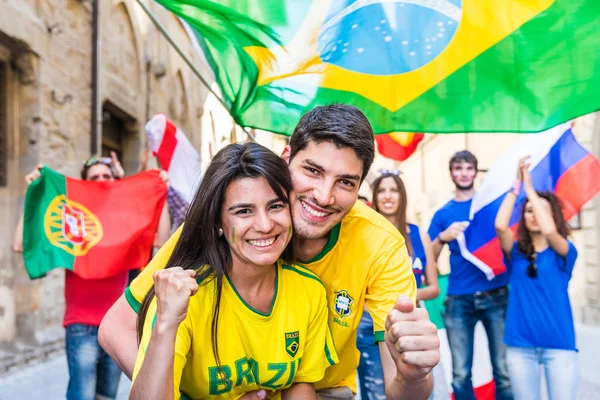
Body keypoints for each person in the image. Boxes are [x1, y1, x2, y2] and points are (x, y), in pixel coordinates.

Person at [100, 104, 440, 400]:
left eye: (345, 182)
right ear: (286, 158)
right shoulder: (224, 219)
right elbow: (116, 328)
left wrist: (414, 374)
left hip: (321, 387)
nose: (324, 195)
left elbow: (400, 389)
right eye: (312, 170)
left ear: (361, 186)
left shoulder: (381, 244)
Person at [130, 142, 337, 399]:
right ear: (217, 222)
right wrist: (165, 324)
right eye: (244, 211)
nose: (265, 225)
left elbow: (301, 384)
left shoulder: (309, 290)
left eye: (275, 206)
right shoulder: (183, 298)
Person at [13, 156, 169, 400]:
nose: (101, 181)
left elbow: (162, 238)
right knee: (82, 397)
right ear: (83, 184)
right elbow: (20, 244)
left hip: (117, 325)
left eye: (106, 176)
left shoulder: (125, 221)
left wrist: (161, 192)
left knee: (106, 396)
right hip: (81, 326)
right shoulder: (70, 221)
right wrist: (33, 194)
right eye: (94, 177)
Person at [427, 151, 512, 400]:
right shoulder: (443, 214)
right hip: (459, 299)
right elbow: (429, 256)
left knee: (504, 371)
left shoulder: (491, 205)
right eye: (458, 168)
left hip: (496, 294)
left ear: (476, 172)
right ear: (451, 173)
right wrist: (443, 237)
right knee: (461, 373)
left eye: (468, 168)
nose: (463, 173)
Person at [495, 156, 578, 400]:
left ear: (551, 215)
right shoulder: (517, 254)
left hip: (559, 344)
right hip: (520, 344)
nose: (533, 214)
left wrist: (530, 189)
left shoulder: (564, 251)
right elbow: (500, 226)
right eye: (529, 210)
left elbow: (550, 230)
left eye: (540, 210)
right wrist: (516, 187)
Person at [357, 170, 440, 400]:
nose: (388, 196)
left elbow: (434, 287)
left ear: (402, 196)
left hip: (409, 320)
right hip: (368, 323)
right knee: (375, 392)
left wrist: (399, 296)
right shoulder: (362, 234)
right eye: (382, 190)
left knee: (416, 387)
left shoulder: (418, 235)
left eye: (394, 190)